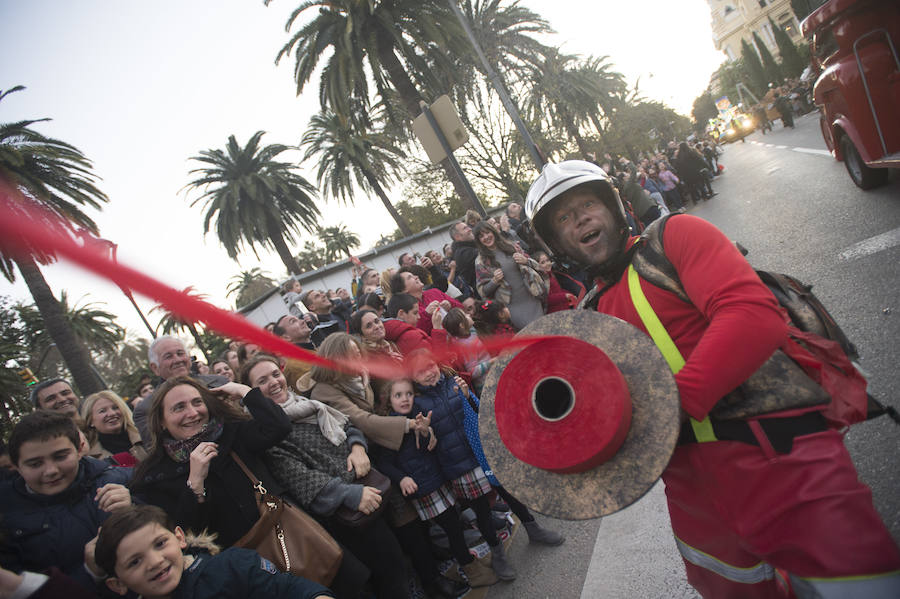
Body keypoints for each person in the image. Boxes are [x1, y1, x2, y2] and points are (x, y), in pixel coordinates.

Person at [525, 159, 900, 598]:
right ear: (557, 241)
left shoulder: (675, 237)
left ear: (612, 206)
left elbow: (753, 317)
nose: (580, 219)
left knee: (863, 589)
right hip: (690, 499)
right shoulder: (587, 314)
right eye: (564, 218)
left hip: (778, 455)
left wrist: (671, 405)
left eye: (587, 204)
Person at [240, 354, 414, 599]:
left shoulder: (309, 404)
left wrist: (357, 448)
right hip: (345, 516)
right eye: (262, 380)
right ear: (252, 393)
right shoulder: (265, 434)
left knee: (399, 567)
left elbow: (348, 426)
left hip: (371, 493)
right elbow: (298, 478)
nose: (274, 382)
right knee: (382, 581)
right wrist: (350, 494)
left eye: (275, 374)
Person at [130, 377, 292, 548]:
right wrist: (195, 484)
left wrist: (244, 391)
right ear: (161, 421)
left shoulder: (233, 433)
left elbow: (279, 427)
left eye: (197, 402)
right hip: (235, 565)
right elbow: (184, 535)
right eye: (179, 408)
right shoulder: (155, 475)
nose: (192, 413)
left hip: (284, 540)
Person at [375, 377, 496, 589]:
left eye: (408, 394)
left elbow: (426, 447)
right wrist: (402, 478)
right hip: (423, 489)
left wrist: (427, 431)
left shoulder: (417, 417)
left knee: (455, 524)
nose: (405, 399)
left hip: (437, 480)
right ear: (388, 400)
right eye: (398, 395)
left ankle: (470, 561)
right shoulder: (390, 428)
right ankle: (471, 570)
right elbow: (384, 462)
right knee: (452, 529)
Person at [406, 353, 516, 582]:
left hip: (482, 455)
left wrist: (466, 395)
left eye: (430, 366)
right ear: (413, 379)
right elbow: (426, 445)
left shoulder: (454, 382)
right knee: (482, 513)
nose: (428, 373)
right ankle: (498, 554)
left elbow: (476, 412)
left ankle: (533, 527)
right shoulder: (417, 404)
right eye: (420, 372)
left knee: (510, 493)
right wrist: (426, 432)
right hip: (459, 469)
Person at [0, 411, 133, 593]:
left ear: (79, 450)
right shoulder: (5, 516)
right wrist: (90, 572)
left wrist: (135, 510)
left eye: (60, 456)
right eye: (35, 464)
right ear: (16, 467)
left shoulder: (120, 480)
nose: (51, 471)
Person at [95, 504, 334, 599]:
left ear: (179, 537)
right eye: (135, 562)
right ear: (117, 584)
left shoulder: (232, 567)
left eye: (159, 544)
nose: (156, 561)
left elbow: (288, 588)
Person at [296, 334, 431, 452]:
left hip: (377, 437)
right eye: (351, 356)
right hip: (359, 447)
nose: (358, 359)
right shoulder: (323, 391)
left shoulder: (359, 375)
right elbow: (360, 418)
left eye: (358, 353)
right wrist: (409, 424)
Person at [472, 221, 546, 331]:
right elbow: (483, 291)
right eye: (481, 236)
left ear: (493, 232)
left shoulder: (512, 246)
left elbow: (539, 268)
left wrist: (526, 261)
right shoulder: (481, 262)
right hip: (511, 307)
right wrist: (494, 281)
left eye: (487, 233)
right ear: (479, 241)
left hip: (532, 297)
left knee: (545, 330)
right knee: (531, 334)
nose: (486, 237)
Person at [80, 390, 147, 466]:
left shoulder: (145, 434)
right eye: (102, 411)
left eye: (115, 408)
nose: (112, 413)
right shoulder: (89, 457)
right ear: (90, 421)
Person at [388, 270, 462, 337]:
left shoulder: (434, 292)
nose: (416, 277)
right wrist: (426, 314)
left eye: (414, 275)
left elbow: (461, 308)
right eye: (410, 277)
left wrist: (450, 306)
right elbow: (416, 333)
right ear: (404, 289)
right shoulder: (407, 309)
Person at [448, 221, 479, 294]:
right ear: (457, 237)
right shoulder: (462, 253)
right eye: (465, 228)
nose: (470, 229)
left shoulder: (470, 246)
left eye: (468, 226)